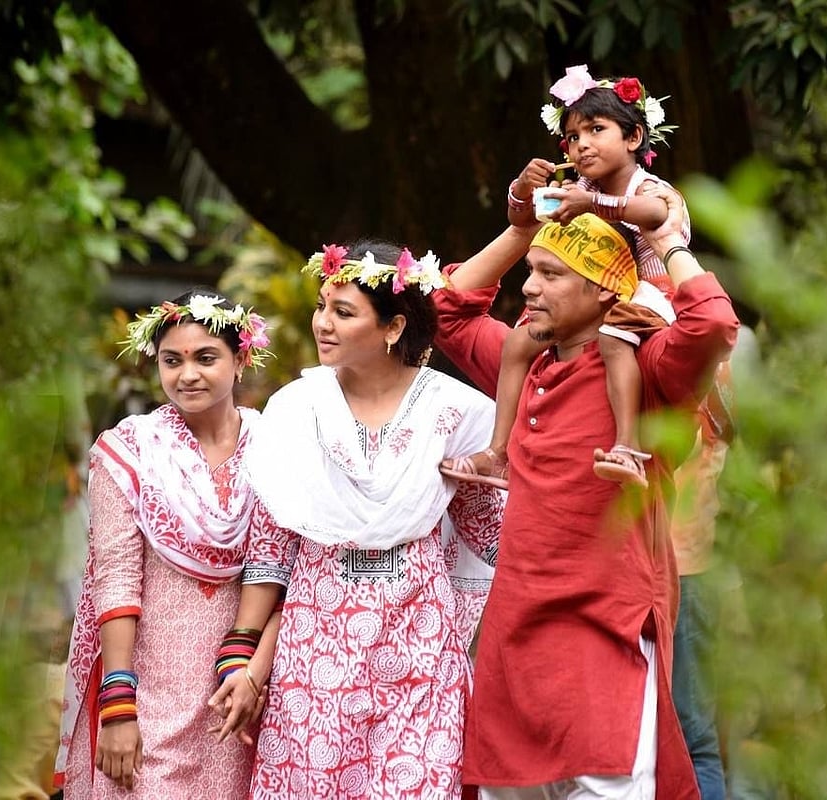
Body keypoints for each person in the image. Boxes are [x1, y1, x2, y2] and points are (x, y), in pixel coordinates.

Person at [434, 186, 738, 798]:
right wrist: (524, 228)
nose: (530, 288)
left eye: (551, 274)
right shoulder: (527, 366)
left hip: (609, 626)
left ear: (604, 290)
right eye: (530, 274)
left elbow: (712, 324)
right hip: (516, 634)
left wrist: (662, 238)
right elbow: (450, 310)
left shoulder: (648, 368)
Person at [207, 242, 507, 798]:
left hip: (419, 652)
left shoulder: (454, 413)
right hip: (314, 653)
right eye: (323, 305)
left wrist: (488, 475)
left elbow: (494, 543)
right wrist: (247, 661)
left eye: (343, 312)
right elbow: (274, 549)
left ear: (394, 327)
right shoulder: (298, 411)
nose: (323, 322)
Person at [55, 287, 274, 798]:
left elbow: (282, 570)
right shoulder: (128, 452)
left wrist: (251, 669)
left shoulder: (275, 448)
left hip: (238, 685)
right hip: (145, 684)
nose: (187, 375)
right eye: (172, 360)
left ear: (241, 359)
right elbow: (115, 575)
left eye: (205, 358)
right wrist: (118, 705)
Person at [440, 65, 687, 488]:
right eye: (573, 137)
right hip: (586, 300)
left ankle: (627, 446)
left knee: (614, 339)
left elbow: (655, 216)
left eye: (595, 130)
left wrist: (592, 202)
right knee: (519, 341)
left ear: (634, 138)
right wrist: (521, 187)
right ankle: (499, 453)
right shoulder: (575, 186)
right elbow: (524, 220)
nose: (582, 145)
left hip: (648, 297)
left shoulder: (648, 187)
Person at [670, 360, 736, 800]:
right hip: (687, 562)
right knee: (695, 737)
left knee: (693, 737)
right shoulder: (713, 357)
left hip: (682, 566)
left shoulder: (694, 354)